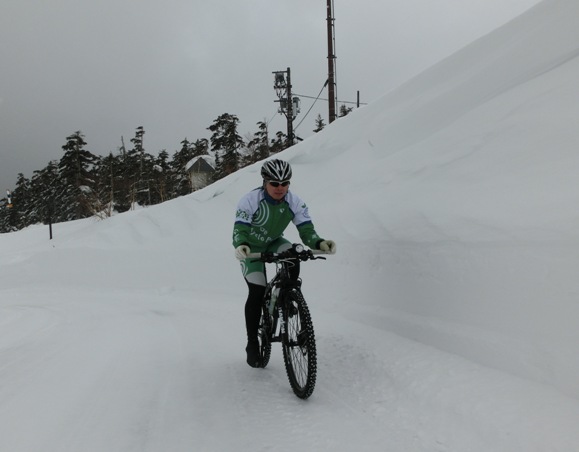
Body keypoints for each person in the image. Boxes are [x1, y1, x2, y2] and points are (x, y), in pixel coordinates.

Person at [233, 159, 336, 367]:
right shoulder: (250, 200)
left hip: (273, 242)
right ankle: (252, 342)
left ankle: (287, 297)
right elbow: (240, 228)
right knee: (256, 291)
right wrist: (241, 244)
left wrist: (319, 242)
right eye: (275, 184)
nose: (280, 188)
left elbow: (306, 229)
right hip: (251, 249)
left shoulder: (294, 201)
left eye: (285, 183)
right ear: (265, 182)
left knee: (292, 255)